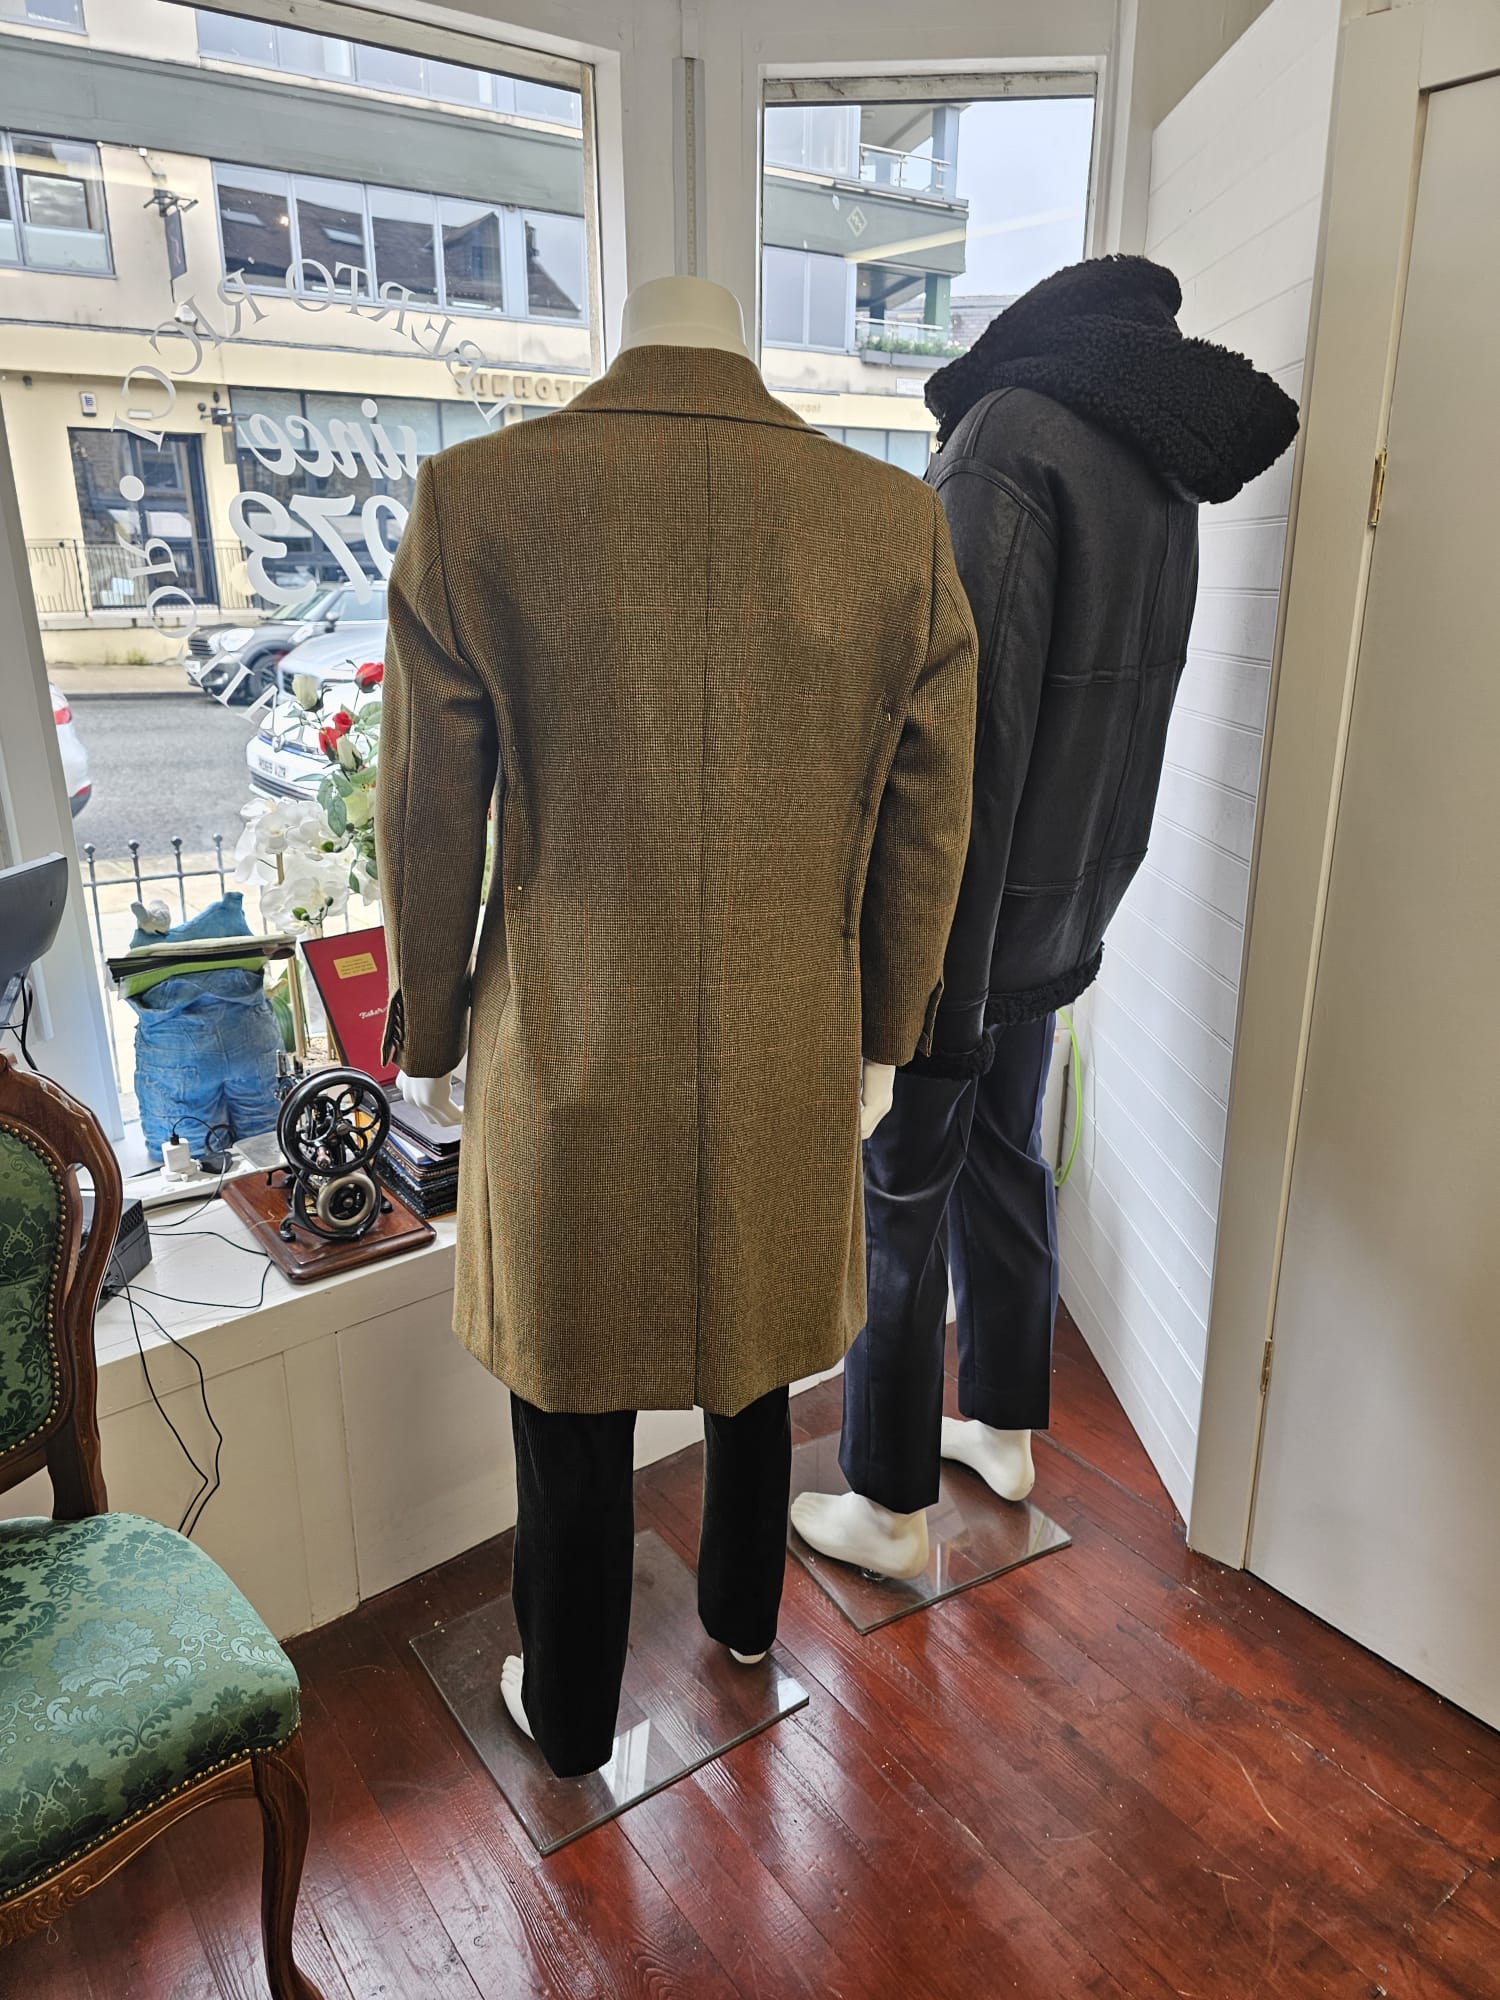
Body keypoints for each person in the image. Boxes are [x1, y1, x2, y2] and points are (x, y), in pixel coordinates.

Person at [793, 255, 1300, 1579]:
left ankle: (888, 1508)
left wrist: (933, 994)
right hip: (1063, 905)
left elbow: (962, 741)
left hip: (963, 924)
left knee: (897, 1197)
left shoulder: (1011, 440)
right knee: (1007, 1158)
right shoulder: (1148, 452)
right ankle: (1005, 1428)